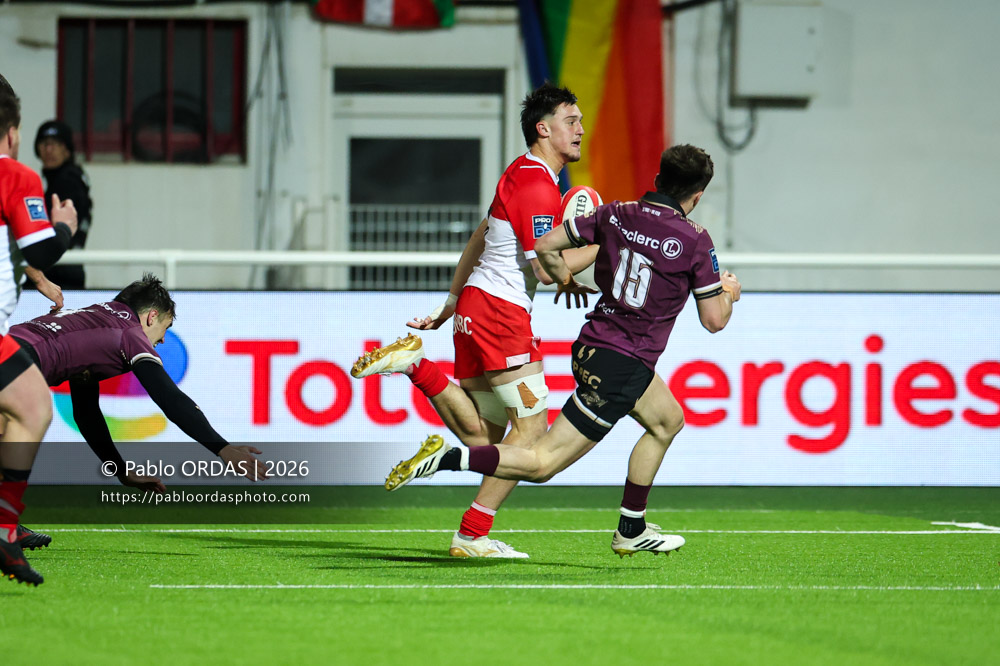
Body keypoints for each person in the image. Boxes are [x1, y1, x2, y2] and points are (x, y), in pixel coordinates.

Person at [382, 144, 742, 558]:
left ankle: (632, 526)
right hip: (623, 363)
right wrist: (729, 291)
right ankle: (451, 459)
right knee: (540, 464)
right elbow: (714, 320)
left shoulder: (617, 214)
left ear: (658, 180)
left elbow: (547, 246)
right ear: (697, 196)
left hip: (594, 346)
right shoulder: (695, 240)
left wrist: (562, 276)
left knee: (667, 421)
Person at [351, 82, 598, 559]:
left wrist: (451, 303)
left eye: (581, 121)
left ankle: (414, 365)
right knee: (532, 438)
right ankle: (472, 534)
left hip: (476, 308)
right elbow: (548, 271)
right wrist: (603, 242)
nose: (580, 129)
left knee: (481, 436)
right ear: (542, 129)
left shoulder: (520, 175)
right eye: (571, 121)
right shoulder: (537, 183)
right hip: (502, 314)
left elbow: (480, 238)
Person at [7, 273, 268, 494]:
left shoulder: (93, 318)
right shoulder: (130, 332)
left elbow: (86, 413)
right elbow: (168, 396)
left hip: (9, 348)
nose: (163, 340)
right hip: (18, 362)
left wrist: (119, 470)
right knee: (20, 428)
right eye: (165, 328)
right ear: (152, 317)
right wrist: (221, 448)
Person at [0, 73, 79, 586]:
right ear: (11, 132)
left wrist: (31, 276)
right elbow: (42, 248)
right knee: (33, 407)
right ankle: (5, 530)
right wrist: (65, 223)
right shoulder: (17, 176)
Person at [32, 120, 92, 289]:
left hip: (59, 271)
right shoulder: (70, 178)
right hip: (64, 267)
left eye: (56, 144)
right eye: (44, 144)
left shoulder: (67, 181)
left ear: (67, 150)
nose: (49, 150)